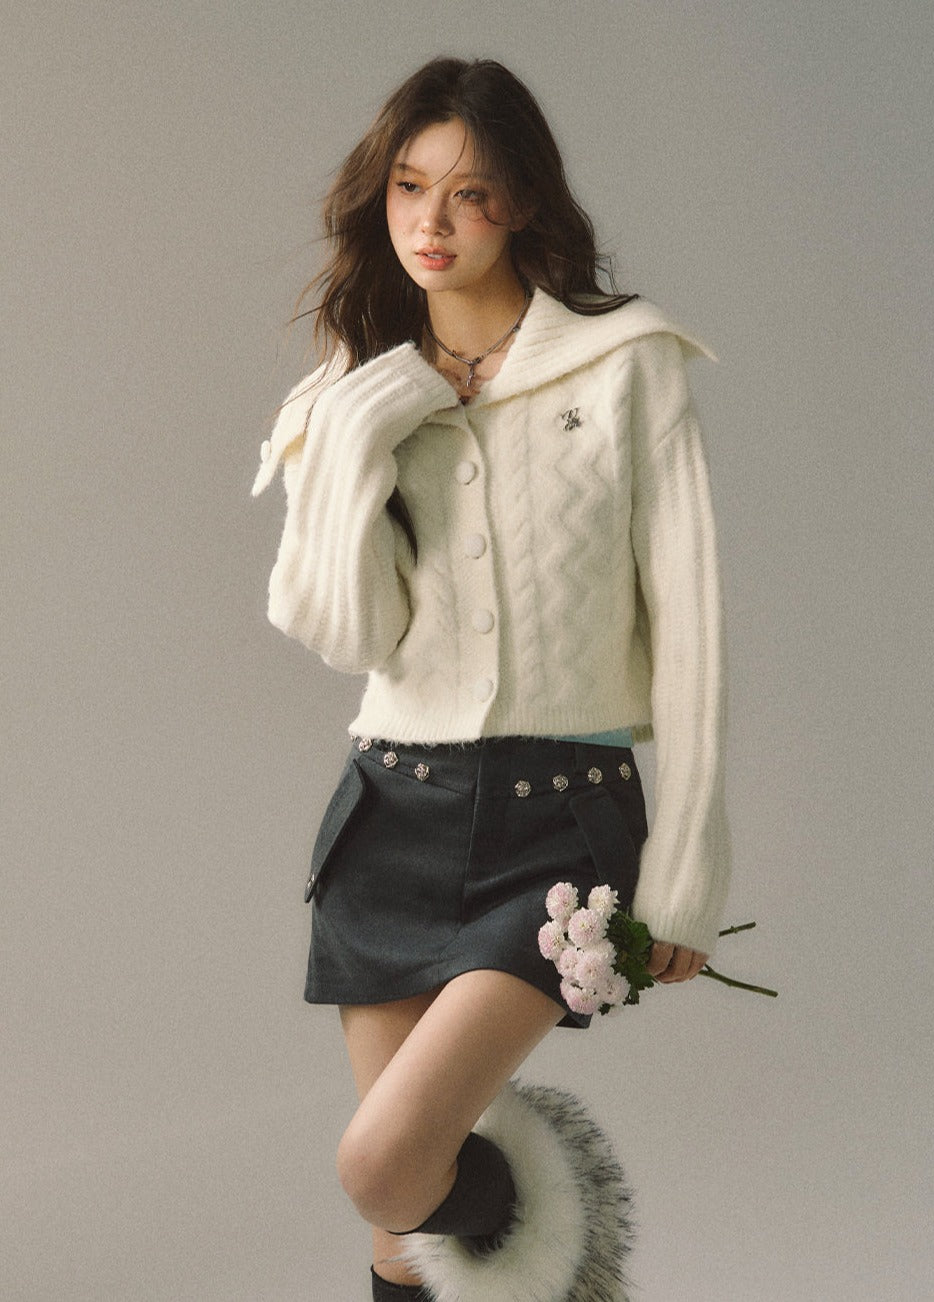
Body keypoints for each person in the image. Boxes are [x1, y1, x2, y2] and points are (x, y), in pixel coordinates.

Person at [253, 55, 730, 1302]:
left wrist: (686, 871)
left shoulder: (626, 364)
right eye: (410, 187)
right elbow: (345, 632)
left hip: (558, 821)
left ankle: (548, 1223)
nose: (433, 221)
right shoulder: (352, 393)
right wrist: (357, 438)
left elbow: (693, 629)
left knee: (386, 1165)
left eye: (469, 193)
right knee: (399, 1232)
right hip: (388, 815)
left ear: (519, 203)